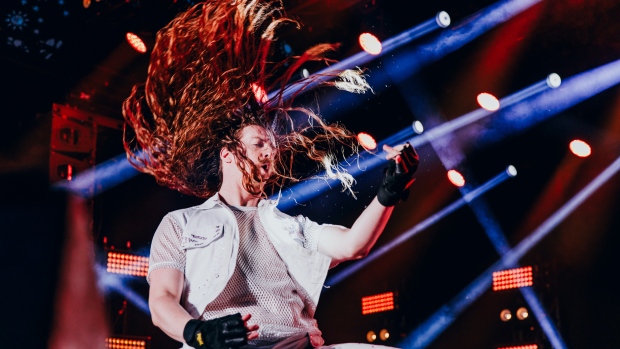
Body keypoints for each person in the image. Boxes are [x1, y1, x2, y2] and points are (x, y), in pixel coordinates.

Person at [122, 1, 419, 349]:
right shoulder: (180, 224)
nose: (270, 151)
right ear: (228, 155)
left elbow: (353, 244)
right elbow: (162, 301)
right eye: (259, 142)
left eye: (272, 145)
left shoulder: (289, 226)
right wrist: (198, 333)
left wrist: (390, 188)